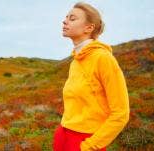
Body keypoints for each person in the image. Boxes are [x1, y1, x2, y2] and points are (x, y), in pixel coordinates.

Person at [53, 2, 130, 151]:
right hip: (63, 135)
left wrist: (89, 146)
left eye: (72, 18)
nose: (65, 21)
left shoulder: (103, 58)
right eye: (66, 17)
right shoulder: (76, 60)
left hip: (85, 141)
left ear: (89, 28)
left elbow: (121, 113)